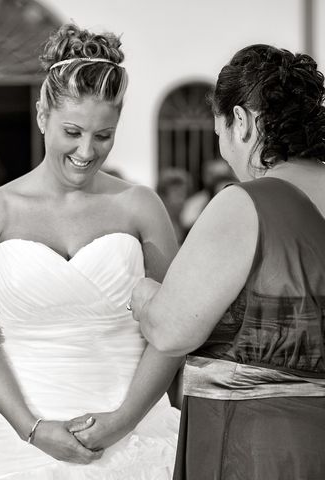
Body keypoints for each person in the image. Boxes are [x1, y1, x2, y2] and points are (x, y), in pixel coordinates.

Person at [0, 24, 181, 480]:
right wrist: (32, 428)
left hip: (133, 428)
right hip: (20, 434)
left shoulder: (140, 206)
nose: (87, 151)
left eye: (104, 135)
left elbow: (173, 329)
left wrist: (123, 420)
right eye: (73, 131)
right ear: (42, 113)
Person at [130, 44, 325, 479]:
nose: (223, 149)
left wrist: (143, 297)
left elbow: (170, 330)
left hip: (262, 446)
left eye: (219, 131)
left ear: (242, 122)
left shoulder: (246, 204)